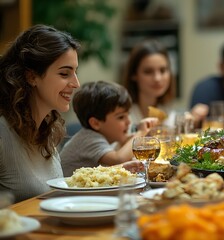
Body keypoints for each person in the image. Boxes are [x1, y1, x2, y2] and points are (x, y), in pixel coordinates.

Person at [0, 25, 80, 202]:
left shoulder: (49, 130)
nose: (76, 83)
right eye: (65, 73)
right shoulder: (2, 133)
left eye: (75, 72)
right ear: (32, 77)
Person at [60, 81, 158, 177]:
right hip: (64, 193)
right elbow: (119, 159)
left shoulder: (104, 136)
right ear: (96, 123)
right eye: (121, 117)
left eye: (128, 115)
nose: (128, 121)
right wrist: (141, 132)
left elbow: (125, 143)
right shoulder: (88, 139)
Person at [121, 39, 208, 131]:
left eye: (163, 70)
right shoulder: (122, 116)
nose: (157, 78)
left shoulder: (168, 112)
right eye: (148, 71)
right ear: (134, 75)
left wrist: (193, 121)